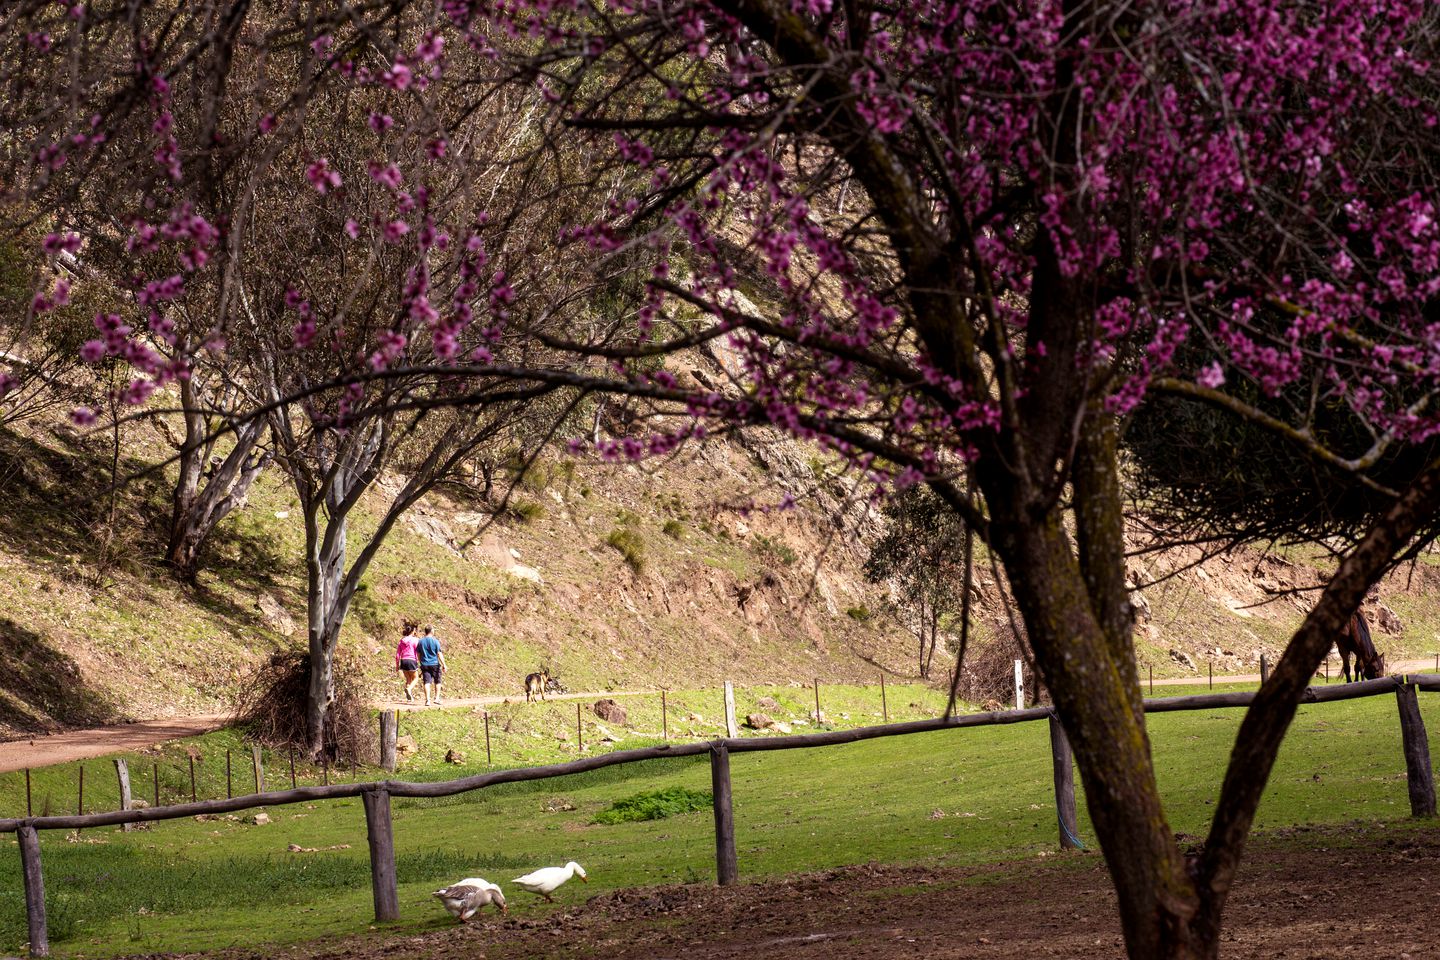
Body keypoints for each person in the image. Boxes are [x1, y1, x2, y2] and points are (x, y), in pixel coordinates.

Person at [417, 625, 447, 706]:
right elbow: (439, 653)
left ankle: (427, 700)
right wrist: (444, 664)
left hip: (425, 664)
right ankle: (437, 698)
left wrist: (421, 662)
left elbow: (418, 654)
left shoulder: (420, 641)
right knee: (438, 681)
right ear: (431, 631)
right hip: (435, 664)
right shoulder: (435, 641)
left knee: (426, 682)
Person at [395, 622, 420, 702]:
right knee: (416, 678)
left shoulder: (402, 641)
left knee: (408, 679)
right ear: (413, 631)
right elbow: (418, 652)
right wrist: (420, 661)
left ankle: (409, 698)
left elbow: (398, 654)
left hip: (403, 661)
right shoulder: (416, 640)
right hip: (412, 660)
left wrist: (397, 665)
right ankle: (409, 689)